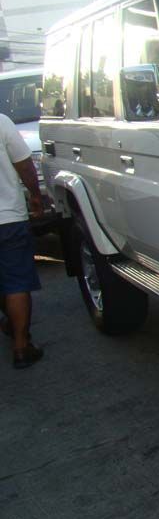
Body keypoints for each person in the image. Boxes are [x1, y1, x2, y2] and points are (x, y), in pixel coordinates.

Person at [0, 111, 43, 369]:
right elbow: (25, 165)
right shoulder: (2, 122)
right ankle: (21, 346)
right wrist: (35, 194)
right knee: (16, 280)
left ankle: (9, 322)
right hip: (8, 218)